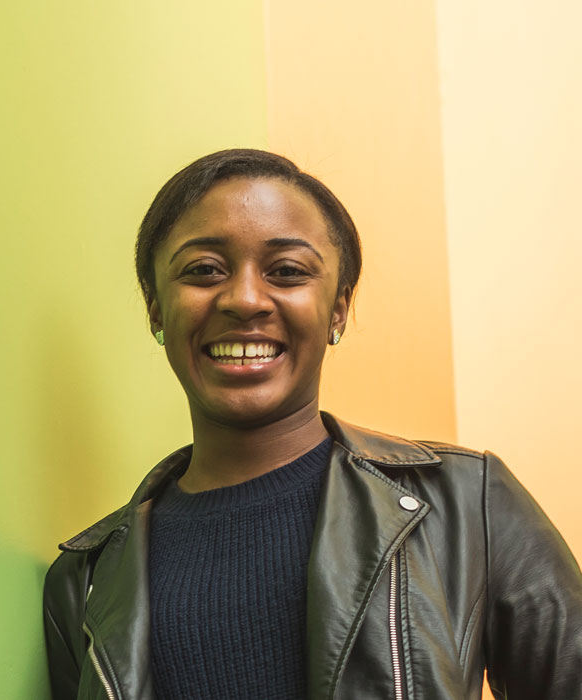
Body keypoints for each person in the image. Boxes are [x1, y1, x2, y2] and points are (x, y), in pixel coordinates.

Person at [42, 149, 582, 699]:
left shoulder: (468, 502)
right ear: (156, 307)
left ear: (339, 309)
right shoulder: (87, 582)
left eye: (287, 272)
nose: (245, 299)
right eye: (204, 270)